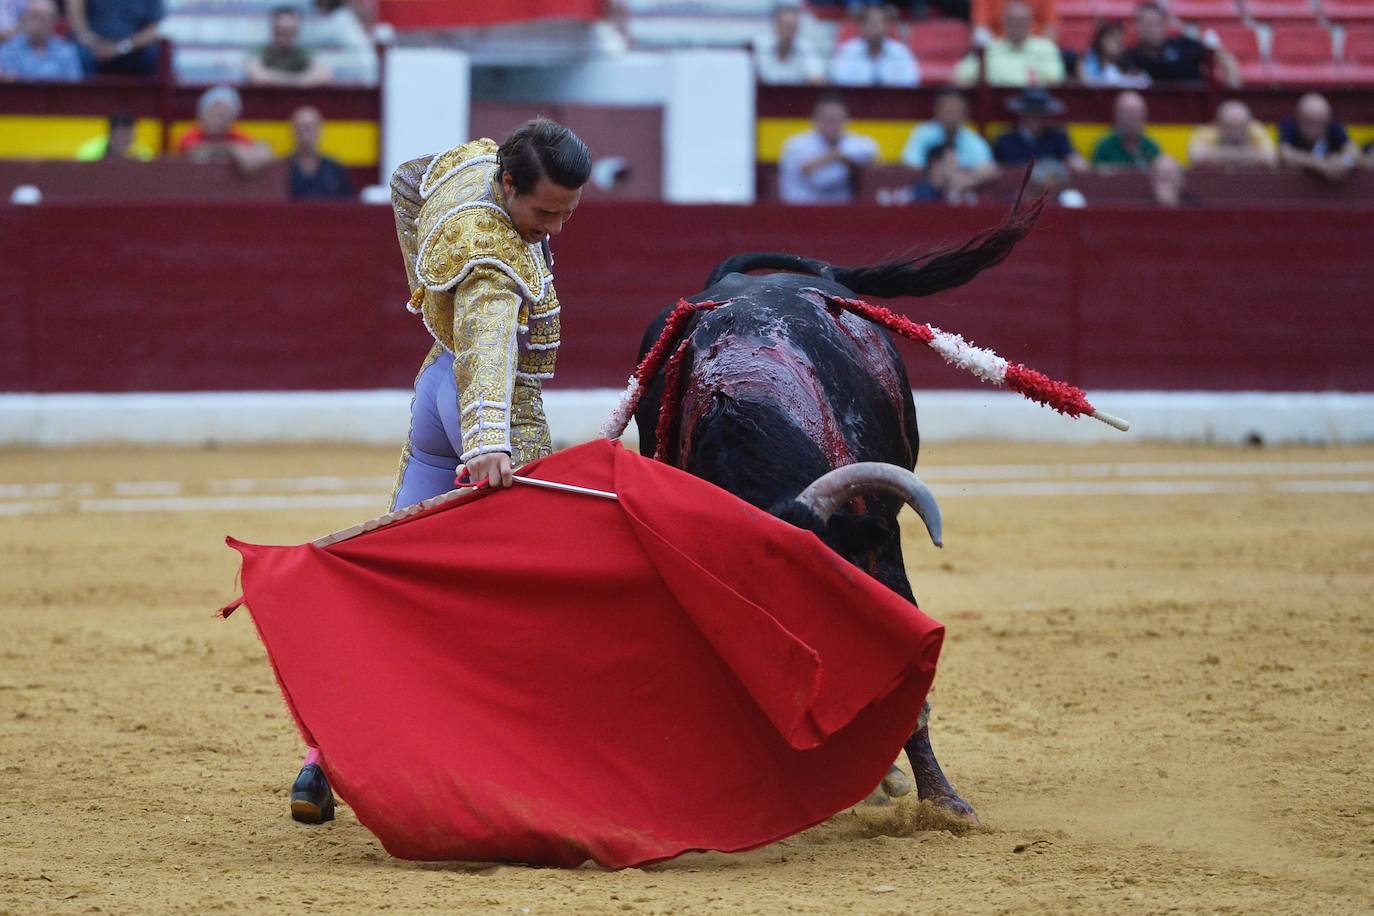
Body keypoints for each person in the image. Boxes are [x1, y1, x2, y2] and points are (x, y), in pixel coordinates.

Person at [285, 119, 593, 824]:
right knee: (539, 606)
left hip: (434, 392)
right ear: (510, 185)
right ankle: (523, 771)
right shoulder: (495, 254)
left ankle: (320, 763)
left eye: (568, 213)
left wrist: (424, 280)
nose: (553, 228)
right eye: (544, 211)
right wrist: (489, 441)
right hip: (488, 411)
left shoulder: (472, 163)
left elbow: (405, 180)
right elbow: (488, 341)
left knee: (391, 585)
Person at [777, 94, 879, 204]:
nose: (833, 124)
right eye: (828, 119)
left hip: (843, 212)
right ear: (815, 120)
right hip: (801, 209)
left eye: (837, 119)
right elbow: (813, 175)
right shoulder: (796, 145)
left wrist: (846, 160)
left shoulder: (859, 143)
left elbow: (874, 166)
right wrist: (834, 157)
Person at [900, 90, 998, 192]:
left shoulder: (973, 141)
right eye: (948, 110)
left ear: (965, 114)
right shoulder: (923, 133)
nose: (952, 116)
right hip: (927, 195)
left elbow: (989, 169)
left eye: (956, 111)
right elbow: (911, 165)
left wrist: (968, 180)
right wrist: (942, 177)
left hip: (964, 194)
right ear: (937, 111)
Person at [992, 88, 1086, 191]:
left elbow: (1077, 163)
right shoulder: (1005, 141)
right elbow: (995, 170)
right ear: (1022, 114)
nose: (1036, 119)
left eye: (1040, 114)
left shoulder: (1058, 137)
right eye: (1031, 113)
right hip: (1015, 194)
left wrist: (1076, 164)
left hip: (1051, 194)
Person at [1124, 2, 1237, 87]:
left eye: (1156, 24)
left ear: (1164, 25)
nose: (1152, 29)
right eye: (1147, 24)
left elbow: (1222, 58)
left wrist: (1233, 89)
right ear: (1137, 27)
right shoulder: (1130, 57)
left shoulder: (1185, 46)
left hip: (1197, 106)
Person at [953, 0, 1064, 87]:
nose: (1017, 27)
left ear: (1030, 23)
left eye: (1021, 22)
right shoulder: (989, 49)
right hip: (994, 107)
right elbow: (959, 78)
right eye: (1012, 21)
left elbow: (1055, 82)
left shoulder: (1046, 48)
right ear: (1004, 22)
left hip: (1033, 108)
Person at [177, 84, 275, 173]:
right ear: (201, 115)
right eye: (213, 113)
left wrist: (260, 150)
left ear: (233, 120)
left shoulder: (236, 136)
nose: (218, 119)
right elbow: (195, 151)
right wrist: (233, 150)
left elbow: (261, 151)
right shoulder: (190, 136)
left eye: (224, 115)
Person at [828, 5, 920, 87]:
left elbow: (911, 83)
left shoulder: (901, 52)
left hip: (893, 103)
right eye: (871, 24)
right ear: (861, 27)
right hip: (855, 102)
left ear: (887, 26)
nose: (875, 28)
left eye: (878, 23)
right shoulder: (848, 52)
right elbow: (839, 82)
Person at [1277, 92, 1360, 183]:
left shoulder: (1332, 127)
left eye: (1320, 124)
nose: (1316, 129)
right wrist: (1319, 164)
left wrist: (1343, 161)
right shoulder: (1290, 127)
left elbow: (1355, 153)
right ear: (1299, 119)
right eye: (1310, 123)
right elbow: (1285, 154)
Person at [65, 0, 163, 77]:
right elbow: (76, 21)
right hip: (92, 45)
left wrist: (120, 48)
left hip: (130, 47)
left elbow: (156, 28)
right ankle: (84, 100)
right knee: (80, 55)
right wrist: (93, 43)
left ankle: (145, 101)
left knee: (152, 55)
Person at [244, 5, 332, 86]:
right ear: (273, 30)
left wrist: (276, 78)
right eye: (282, 31)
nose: (286, 37)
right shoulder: (260, 50)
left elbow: (324, 74)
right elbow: (256, 75)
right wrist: (299, 81)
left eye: (291, 32)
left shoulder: (304, 51)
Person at [0, 0, 82, 82]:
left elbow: (74, 88)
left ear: (54, 22)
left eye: (44, 19)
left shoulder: (67, 51)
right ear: (24, 19)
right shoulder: (9, 49)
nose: (38, 24)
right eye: (34, 17)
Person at [1187, 100, 1276, 169]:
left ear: (1248, 124)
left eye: (1239, 127)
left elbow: (1270, 158)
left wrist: (1217, 156)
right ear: (1219, 124)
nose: (1235, 132)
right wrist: (1249, 156)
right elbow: (1196, 157)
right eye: (1229, 127)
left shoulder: (1256, 130)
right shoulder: (1208, 132)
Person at [287, 106, 352, 199]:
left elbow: (349, 206)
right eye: (300, 128)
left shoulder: (336, 170)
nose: (305, 134)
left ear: (320, 131)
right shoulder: (281, 170)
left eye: (309, 128)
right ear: (292, 132)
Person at [754, 1, 823, 85]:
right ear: (776, 24)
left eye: (792, 27)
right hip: (763, 96)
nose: (788, 31)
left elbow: (817, 79)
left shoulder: (807, 48)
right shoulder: (758, 46)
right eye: (785, 25)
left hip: (797, 96)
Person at [1091, 90, 1160, 169]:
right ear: (1117, 116)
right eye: (1126, 114)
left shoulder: (1151, 148)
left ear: (1144, 117)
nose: (1130, 120)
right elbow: (1095, 176)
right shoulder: (1104, 146)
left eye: (1135, 115)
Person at [1077, 20, 1149, 88]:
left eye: (1121, 37)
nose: (1118, 42)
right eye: (1112, 36)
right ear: (1100, 40)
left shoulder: (1132, 63)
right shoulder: (1084, 63)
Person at [75, 110, 154, 160]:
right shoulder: (90, 153)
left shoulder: (143, 155)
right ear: (110, 133)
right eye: (122, 135)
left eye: (131, 135)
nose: (127, 140)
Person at [972, 0, 1056, 43]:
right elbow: (981, 30)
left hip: (1034, 48)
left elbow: (1050, 29)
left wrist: (1043, 50)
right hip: (999, 49)